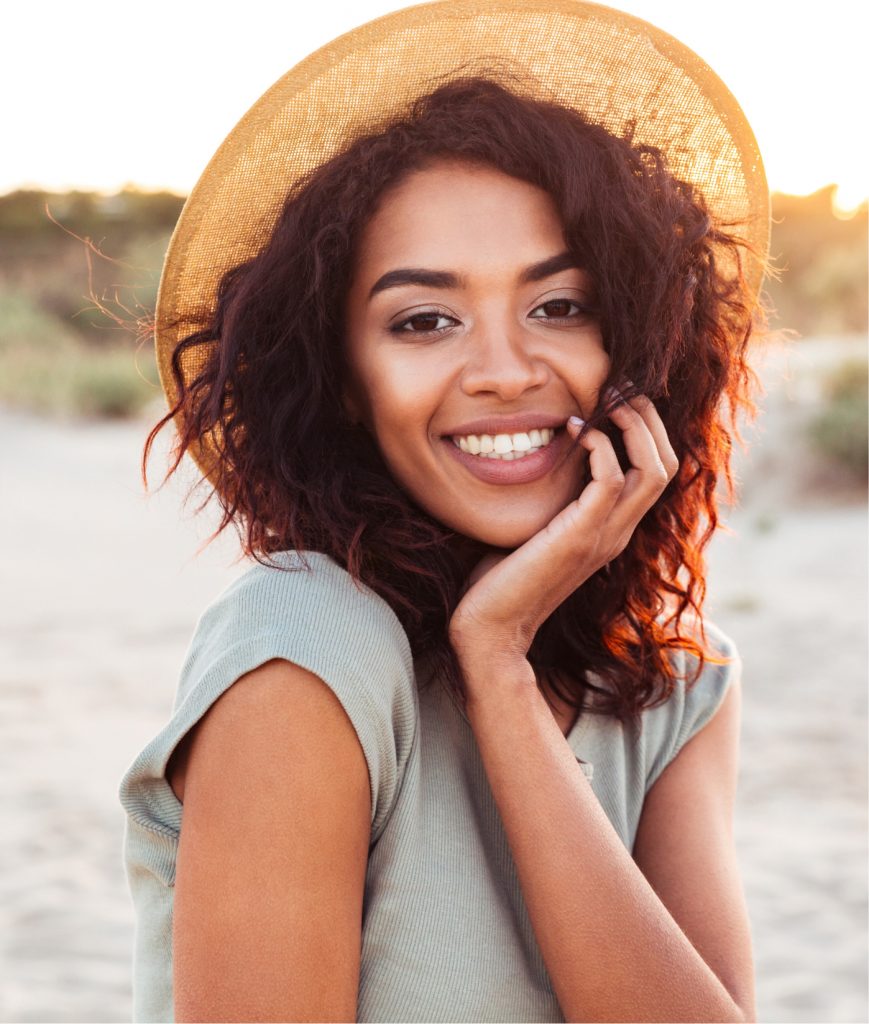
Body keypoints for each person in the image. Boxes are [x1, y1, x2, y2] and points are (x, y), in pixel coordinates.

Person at [119, 2, 769, 1021]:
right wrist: (492, 647)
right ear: (342, 382)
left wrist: (499, 664)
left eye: (559, 306)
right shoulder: (306, 647)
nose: (505, 373)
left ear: (635, 346)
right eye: (424, 320)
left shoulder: (675, 679)